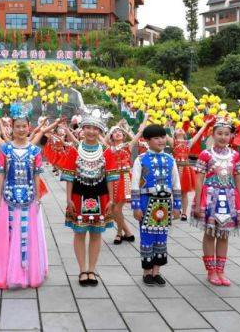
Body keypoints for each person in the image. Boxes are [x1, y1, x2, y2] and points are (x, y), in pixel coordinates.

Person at [0, 103, 48, 289]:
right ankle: (5, 271)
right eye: (17, 126)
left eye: (24, 126)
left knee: (27, 233)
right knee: (8, 232)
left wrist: (38, 197)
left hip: (29, 197)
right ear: (11, 128)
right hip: (8, 195)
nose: (21, 130)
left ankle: (28, 271)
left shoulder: (35, 151)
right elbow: (1, 173)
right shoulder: (6, 149)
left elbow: (37, 175)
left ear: (29, 127)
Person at [60, 106, 117, 287]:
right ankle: (82, 269)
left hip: (101, 197)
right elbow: (69, 176)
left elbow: (110, 177)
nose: (91, 131)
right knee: (79, 232)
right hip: (78, 196)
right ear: (82, 129)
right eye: (88, 127)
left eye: (95, 128)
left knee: (96, 234)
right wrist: (68, 199)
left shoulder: (107, 151)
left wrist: (113, 200)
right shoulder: (74, 150)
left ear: (99, 131)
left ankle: (92, 269)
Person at [192, 116, 240, 287]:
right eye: (220, 133)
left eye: (227, 134)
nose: (223, 137)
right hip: (209, 199)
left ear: (231, 136)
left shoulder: (235, 155)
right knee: (210, 234)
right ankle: (211, 271)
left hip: (229, 200)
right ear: (212, 135)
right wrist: (199, 203)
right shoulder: (205, 154)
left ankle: (221, 270)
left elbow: (239, 181)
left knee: (224, 235)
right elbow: (199, 180)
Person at [131, 124, 181, 287]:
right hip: (147, 201)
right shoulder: (141, 160)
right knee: (146, 237)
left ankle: (156, 271)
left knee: (161, 237)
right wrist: (136, 206)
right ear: (147, 140)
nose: (161, 140)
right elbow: (135, 184)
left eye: (163, 137)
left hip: (165, 203)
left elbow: (176, 183)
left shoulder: (170, 159)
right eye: (156, 138)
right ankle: (146, 272)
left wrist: (177, 206)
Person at [104, 121, 145, 244]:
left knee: (117, 209)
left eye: (120, 132)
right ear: (111, 136)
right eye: (115, 133)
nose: (118, 133)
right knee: (113, 209)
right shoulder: (109, 149)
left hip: (124, 178)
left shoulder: (127, 145)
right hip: (112, 180)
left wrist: (143, 123)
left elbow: (139, 134)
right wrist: (113, 127)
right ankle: (127, 232)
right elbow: (104, 139)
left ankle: (119, 233)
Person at [170, 120, 211, 221]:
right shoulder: (173, 142)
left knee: (184, 192)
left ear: (185, 133)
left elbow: (199, 133)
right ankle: (176, 209)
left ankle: (184, 213)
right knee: (174, 191)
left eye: (181, 129)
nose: (180, 129)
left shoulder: (189, 143)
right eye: (177, 129)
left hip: (186, 169)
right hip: (175, 169)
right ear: (174, 134)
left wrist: (205, 124)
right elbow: (161, 132)